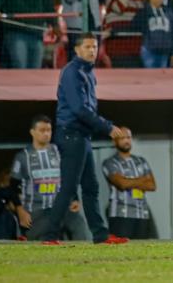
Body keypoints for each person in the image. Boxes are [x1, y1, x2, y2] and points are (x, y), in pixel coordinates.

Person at [42, 33, 127, 245]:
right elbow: (79, 109)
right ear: (77, 49)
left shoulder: (87, 72)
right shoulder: (72, 72)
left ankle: (100, 235)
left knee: (91, 187)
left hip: (81, 135)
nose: (92, 51)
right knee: (69, 187)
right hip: (71, 134)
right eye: (88, 47)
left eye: (95, 47)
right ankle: (50, 235)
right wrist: (106, 127)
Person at [10, 115, 87, 241]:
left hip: (61, 207)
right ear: (32, 132)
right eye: (42, 130)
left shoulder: (60, 152)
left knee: (80, 229)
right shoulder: (22, 157)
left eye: (49, 130)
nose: (46, 134)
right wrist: (20, 210)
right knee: (44, 240)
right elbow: (13, 187)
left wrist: (75, 198)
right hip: (36, 211)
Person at [103, 126, 156, 240]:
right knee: (121, 247)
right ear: (115, 141)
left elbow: (152, 185)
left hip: (142, 213)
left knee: (142, 247)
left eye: (128, 137)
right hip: (120, 214)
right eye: (122, 138)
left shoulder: (141, 161)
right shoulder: (110, 162)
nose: (126, 141)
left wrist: (128, 180)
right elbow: (122, 184)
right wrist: (142, 179)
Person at [103, 0, 145, 68]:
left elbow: (141, 11)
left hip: (134, 45)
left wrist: (127, 2)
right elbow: (119, 7)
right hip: (116, 45)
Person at [134, 0, 173, 68]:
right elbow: (135, 26)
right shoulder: (143, 13)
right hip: (149, 50)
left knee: (161, 73)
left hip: (165, 51)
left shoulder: (169, 13)